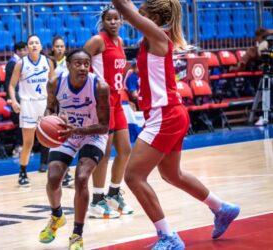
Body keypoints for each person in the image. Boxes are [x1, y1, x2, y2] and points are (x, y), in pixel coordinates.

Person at [112, 0, 240, 249]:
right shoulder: (154, 38)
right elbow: (126, 7)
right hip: (169, 113)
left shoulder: (157, 36)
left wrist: (125, 7)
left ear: (155, 20)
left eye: (143, 14)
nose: (135, 17)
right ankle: (221, 208)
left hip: (165, 115)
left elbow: (123, 7)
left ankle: (168, 236)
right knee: (172, 174)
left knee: (133, 177)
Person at [39, 49, 110, 250]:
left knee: (81, 178)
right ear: (68, 66)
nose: (82, 68)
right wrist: (49, 120)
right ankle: (56, 216)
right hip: (67, 132)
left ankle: (77, 235)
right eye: (77, 64)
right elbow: (50, 108)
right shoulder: (55, 82)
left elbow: (105, 125)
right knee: (53, 177)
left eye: (86, 64)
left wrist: (77, 129)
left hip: (93, 133)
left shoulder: (100, 86)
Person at [84, 5, 133, 219]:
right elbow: (78, 62)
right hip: (102, 102)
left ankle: (113, 194)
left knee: (125, 150)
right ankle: (96, 200)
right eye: (109, 19)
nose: (113, 22)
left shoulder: (120, 42)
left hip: (118, 100)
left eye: (116, 19)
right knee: (104, 153)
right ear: (103, 21)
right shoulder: (97, 40)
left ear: (121, 21)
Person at [9, 34, 55, 187]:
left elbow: (53, 83)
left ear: (41, 46)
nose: (34, 45)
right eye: (31, 43)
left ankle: (62, 172)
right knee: (28, 143)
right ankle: (22, 172)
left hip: (44, 104)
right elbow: (11, 85)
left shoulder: (48, 62)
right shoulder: (20, 64)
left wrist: (55, 102)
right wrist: (14, 101)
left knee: (53, 140)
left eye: (37, 42)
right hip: (28, 104)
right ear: (27, 47)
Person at [46, 35, 75, 187]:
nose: (59, 48)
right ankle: (58, 171)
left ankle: (65, 172)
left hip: (65, 102)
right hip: (52, 101)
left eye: (62, 46)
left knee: (63, 136)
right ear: (52, 48)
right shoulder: (48, 62)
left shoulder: (69, 62)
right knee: (54, 136)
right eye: (57, 46)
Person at [5, 41, 28, 158]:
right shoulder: (12, 63)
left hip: (23, 98)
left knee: (23, 124)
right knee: (19, 124)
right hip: (16, 99)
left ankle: (22, 147)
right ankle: (18, 148)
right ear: (17, 51)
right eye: (21, 50)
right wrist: (11, 99)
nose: (24, 52)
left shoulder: (23, 62)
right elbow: (9, 83)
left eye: (25, 49)